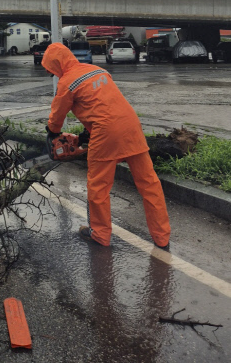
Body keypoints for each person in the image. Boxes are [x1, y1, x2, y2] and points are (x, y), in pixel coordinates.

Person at [42, 42, 171, 248]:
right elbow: (103, 101)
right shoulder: (97, 70)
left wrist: (52, 131)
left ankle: (100, 234)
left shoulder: (67, 83)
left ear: (56, 65)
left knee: (99, 186)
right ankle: (162, 236)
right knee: (149, 184)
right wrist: (86, 132)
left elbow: (57, 115)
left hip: (106, 133)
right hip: (131, 126)